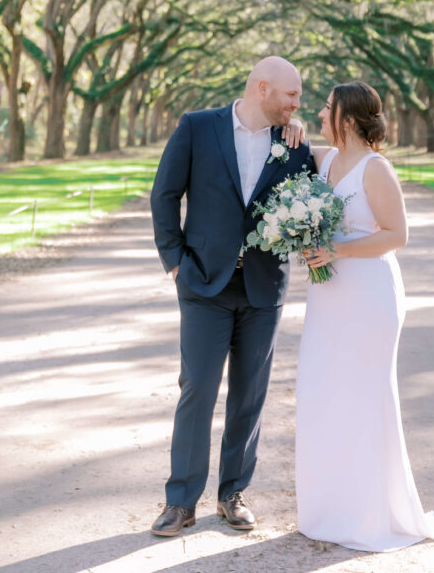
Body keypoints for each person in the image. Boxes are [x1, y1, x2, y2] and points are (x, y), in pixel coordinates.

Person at [295, 80, 434, 551]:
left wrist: (337, 247)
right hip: (328, 297)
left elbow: (397, 235)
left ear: (348, 120)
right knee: (324, 392)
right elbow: (290, 141)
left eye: (326, 109)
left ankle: (369, 515)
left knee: (364, 397)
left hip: (369, 296)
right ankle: (329, 508)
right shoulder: (327, 159)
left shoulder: (377, 170)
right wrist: (290, 125)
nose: (319, 114)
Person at [150, 56, 314, 536]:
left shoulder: (293, 141)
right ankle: (180, 501)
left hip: (264, 287)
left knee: (250, 395)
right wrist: (174, 259)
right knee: (197, 389)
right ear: (263, 88)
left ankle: (232, 494)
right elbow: (165, 193)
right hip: (203, 283)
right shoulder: (198, 128)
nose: (296, 103)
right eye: (291, 95)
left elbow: (311, 193)